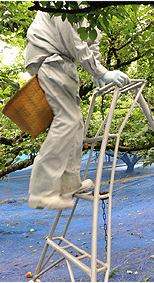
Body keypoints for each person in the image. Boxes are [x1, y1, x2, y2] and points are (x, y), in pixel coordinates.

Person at [25, 11, 130, 210]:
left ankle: (70, 184)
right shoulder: (70, 4)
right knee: (67, 120)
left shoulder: (96, 10)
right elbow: (71, 36)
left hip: (61, 60)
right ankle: (41, 191)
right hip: (49, 56)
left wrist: (97, 69)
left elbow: (91, 40)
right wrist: (100, 72)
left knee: (75, 122)